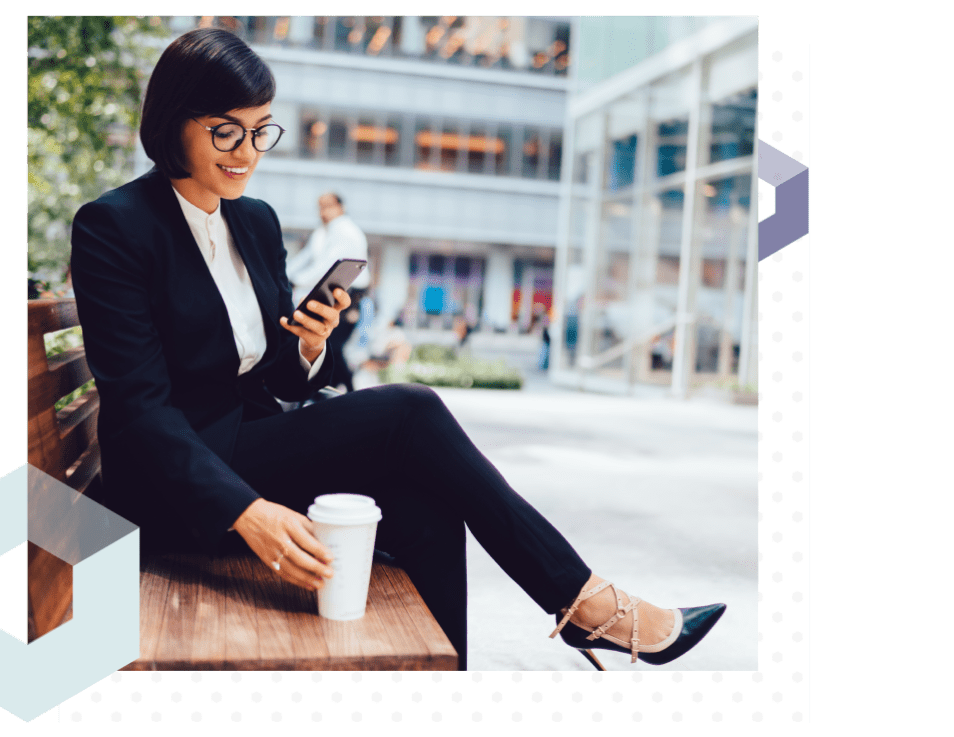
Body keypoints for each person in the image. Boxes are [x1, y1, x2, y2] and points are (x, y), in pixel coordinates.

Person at [70, 29, 725, 671]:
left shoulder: (254, 220)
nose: (248, 151)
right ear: (173, 121)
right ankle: (587, 604)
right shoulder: (116, 227)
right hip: (173, 484)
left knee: (426, 503)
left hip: (248, 442)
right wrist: (247, 510)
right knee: (410, 411)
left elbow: (271, 380)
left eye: (261, 129)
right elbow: (141, 408)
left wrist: (306, 347)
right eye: (226, 131)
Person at [286, 192, 371, 391]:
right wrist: (283, 276)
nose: (323, 211)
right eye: (320, 206)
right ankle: (334, 390)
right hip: (329, 293)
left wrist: (295, 280)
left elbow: (326, 267)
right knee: (327, 344)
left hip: (349, 296)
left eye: (328, 206)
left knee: (332, 345)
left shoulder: (347, 231)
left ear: (341, 207)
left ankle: (344, 390)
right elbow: (304, 259)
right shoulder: (322, 232)